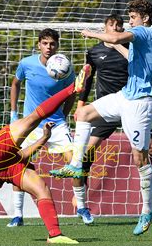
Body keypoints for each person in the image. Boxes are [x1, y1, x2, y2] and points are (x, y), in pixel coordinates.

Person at [50, 0, 152, 236]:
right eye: (129, 17)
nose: (129, 22)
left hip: (140, 104)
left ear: (145, 18)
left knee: (140, 159)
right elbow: (122, 49)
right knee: (84, 113)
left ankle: (147, 210)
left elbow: (114, 38)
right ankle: (76, 165)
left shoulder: (146, 32)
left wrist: (90, 33)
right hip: (125, 96)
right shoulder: (140, 39)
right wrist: (111, 44)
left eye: (132, 17)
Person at [0, 69, 87, 244]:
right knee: (33, 117)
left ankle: (55, 234)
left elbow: (21, 155)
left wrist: (44, 138)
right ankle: (72, 88)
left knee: (42, 189)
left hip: (2, 168)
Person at [7, 28, 93, 227]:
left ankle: (81, 207)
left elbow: (72, 92)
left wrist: (63, 114)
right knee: (20, 165)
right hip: (31, 124)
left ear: (57, 46)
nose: (48, 47)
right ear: (39, 44)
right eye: (45, 43)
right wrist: (13, 113)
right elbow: (15, 84)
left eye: (52, 44)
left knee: (75, 164)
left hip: (57, 124)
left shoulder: (66, 68)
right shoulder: (27, 63)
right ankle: (18, 215)